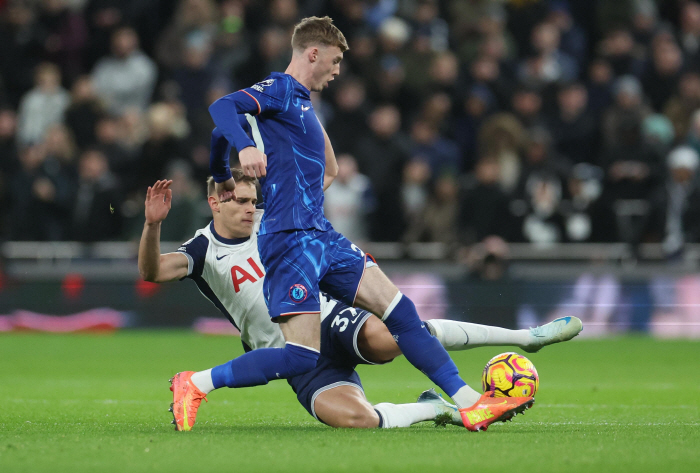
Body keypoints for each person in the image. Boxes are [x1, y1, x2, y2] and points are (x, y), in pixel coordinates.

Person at [206, 16, 533, 432]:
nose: (338, 70)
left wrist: (229, 173)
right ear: (313, 53)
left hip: (319, 235)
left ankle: (471, 402)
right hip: (289, 241)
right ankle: (198, 382)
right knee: (302, 356)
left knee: (401, 312)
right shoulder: (282, 89)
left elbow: (319, 164)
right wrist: (246, 146)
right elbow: (222, 109)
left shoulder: (304, 103)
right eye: (336, 60)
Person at [138, 173, 583, 430]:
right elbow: (153, 271)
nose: (250, 208)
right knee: (357, 421)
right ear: (215, 201)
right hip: (289, 354)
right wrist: (153, 226)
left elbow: (323, 175)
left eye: (254, 200)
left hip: (329, 318)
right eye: (239, 200)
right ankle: (437, 407)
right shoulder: (202, 249)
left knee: (393, 335)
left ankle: (526, 337)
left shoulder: (276, 225)